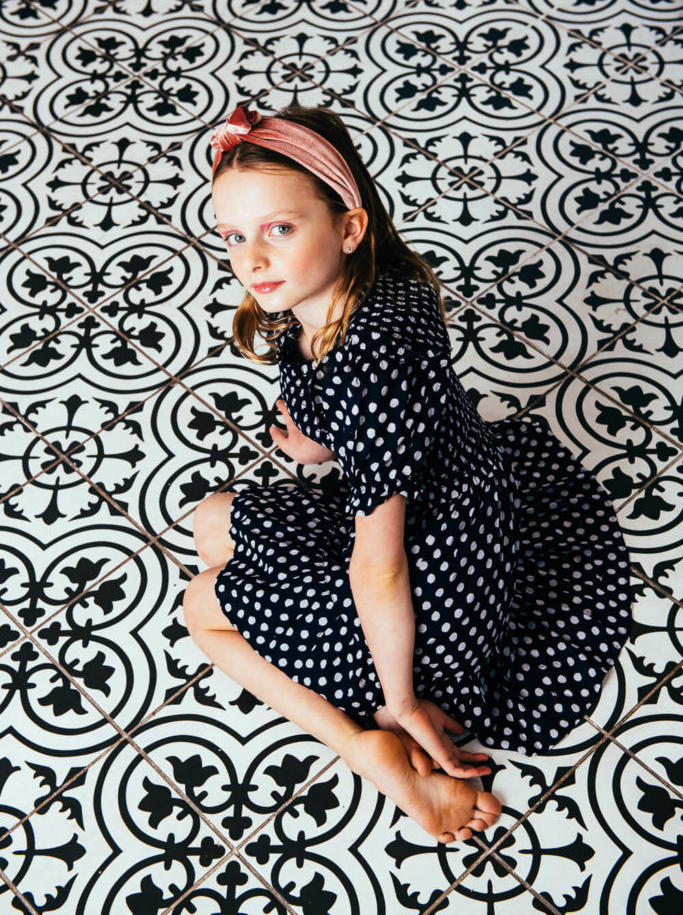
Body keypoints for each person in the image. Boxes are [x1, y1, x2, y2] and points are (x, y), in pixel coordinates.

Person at [183, 102, 632, 844]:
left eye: (279, 229)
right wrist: (316, 448)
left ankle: (370, 749)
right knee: (211, 521)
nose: (251, 259)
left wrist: (404, 698)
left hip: (432, 595)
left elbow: (382, 569)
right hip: (459, 509)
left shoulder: (370, 369)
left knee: (205, 606)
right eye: (234, 235)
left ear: (347, 226)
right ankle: (366, 695)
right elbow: (381, 431)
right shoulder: (369, 283)